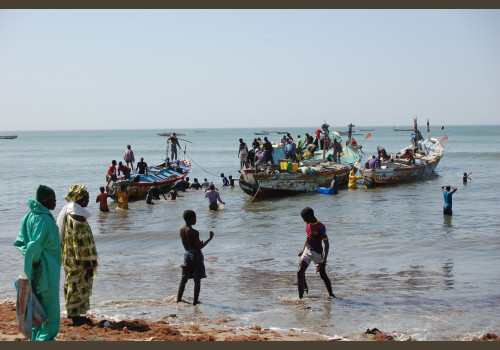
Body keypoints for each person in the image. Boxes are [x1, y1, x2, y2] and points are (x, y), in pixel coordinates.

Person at [14, 185, 61, 341]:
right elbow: (35, 245)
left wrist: (30, 264)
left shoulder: (28, 217)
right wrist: (34, 260)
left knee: (38, 308)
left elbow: (21, 242)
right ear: (46, 201)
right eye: (53, 199)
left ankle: (35, 339)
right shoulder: (45, 220)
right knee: (51, 312)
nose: (55, 202)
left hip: (35, 272)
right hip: (46, 272)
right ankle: (45, 339)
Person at [56, 185, 98, 326]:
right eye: (86, 197)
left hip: (69, 255)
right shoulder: (78, 217)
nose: (88, 200)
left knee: (71, 282)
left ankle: (73, 312)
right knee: (78, 284)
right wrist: (87, 263)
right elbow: (81, 244)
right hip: (79, 259)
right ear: (80, 198)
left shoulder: (68, 211)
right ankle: (75, 315)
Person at [177, 210, 214, 305]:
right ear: (190, 219)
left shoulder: (181, 229)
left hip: (187, 254)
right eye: (195, 218)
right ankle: (195, 301)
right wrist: (209, 239)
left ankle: (178, 299)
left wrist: (198, 242)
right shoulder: (194, 232)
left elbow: (191, 243)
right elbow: (199, 247)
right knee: (197, 280)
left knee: (184, 278)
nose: (196, 220)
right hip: (196, 256)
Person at [297, 207, 335, 299]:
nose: (304, 220)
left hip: (317, 253)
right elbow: (308, 237)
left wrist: (324, 260)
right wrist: (303, 250)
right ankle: (300, 298)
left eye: (304, 218)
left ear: (310, 216)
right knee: (300, 272)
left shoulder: (320, 226)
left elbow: (326, 244)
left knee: (323, 275)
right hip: (308, 250)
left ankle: (331, 294)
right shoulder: (308, 224)